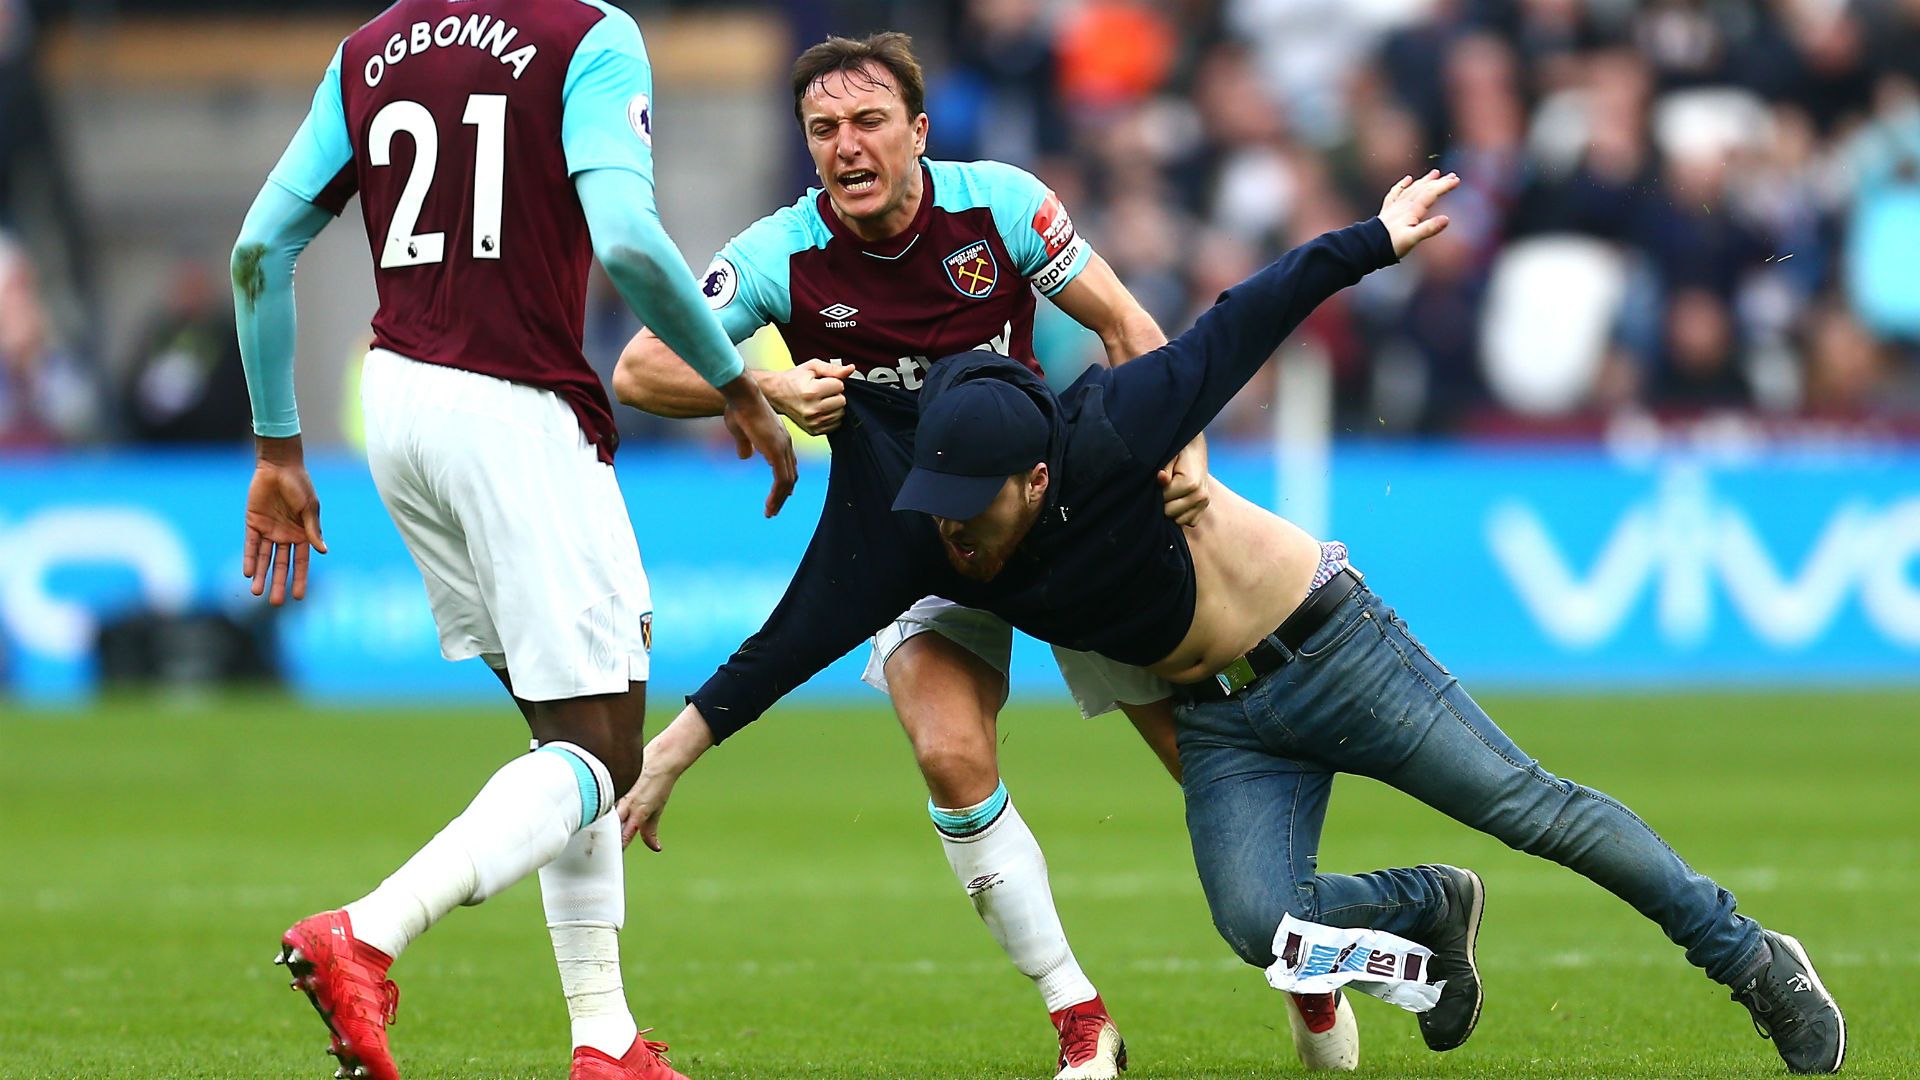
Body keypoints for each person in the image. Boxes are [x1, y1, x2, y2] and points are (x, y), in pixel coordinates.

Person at [621, 171, 1847, 1076]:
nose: (950, 533)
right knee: (1265, 928)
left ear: (1036, 479)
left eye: (969, 507)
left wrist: (1375, 239)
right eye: (936, 504)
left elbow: (1247, 316)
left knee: (1538, 810)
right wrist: (671, 754)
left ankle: (1749, 957)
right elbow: (790, 641)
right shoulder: (920, 528)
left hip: (1333, 651)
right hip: (1222, 724)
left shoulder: (1116, 429)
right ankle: (1429, 907)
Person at [610, 32, 1325, 1079]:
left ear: (918, 132)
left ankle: (1300, 953)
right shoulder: (781, 253)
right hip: (910, 538)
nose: (846, 147)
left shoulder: (1001, 206)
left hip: (1047, 519)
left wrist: (1188, 454)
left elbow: (1130, 328)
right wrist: (762, 385)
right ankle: (1079, 1015)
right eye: (823, 129)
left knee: (1199, 760)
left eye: (868, 122)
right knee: (949, 755)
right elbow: (639, 369)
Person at [229, 3, 795, 1079]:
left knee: (565, 731)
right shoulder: (589, 35)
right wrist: (735, 381)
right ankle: (367, 934)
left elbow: (260, 247)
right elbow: (626, 240)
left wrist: (277, 446)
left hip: (396, 403)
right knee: (606, 750)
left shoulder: (369, 48)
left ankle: (605, 1037)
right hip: (513, 407)